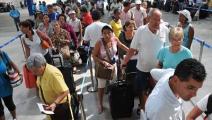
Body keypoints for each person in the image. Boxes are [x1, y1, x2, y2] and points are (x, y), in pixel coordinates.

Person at [123, 8, 168, 112]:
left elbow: (169, 48)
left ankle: (151, 111)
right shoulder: (141, 30)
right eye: (154, 19)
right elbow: (132, 49)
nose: (157, 22)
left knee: (156, 93)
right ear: (148, 18)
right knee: (142, 91)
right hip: (142, 69)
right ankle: (143, 110)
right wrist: (124, 62)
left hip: (158, 69)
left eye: (159, 19)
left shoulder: (164, 29)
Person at [92, 25, 129, 113]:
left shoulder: (115, 39)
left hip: (113, 66)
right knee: (101, 87)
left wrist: (130, 51)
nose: (107, 35)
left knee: (114, 84)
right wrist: (103, 62)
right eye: (104, 33)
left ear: (112, 33)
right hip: (103, 67)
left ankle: (114, 100)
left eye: (109, 32)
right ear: (102, 34)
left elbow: (121, 45)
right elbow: (94, 56)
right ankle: (100, 104)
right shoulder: (99, 43)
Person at [26, 53, 72, 120]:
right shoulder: (40, 73)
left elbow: (65, 91)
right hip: (50, 107)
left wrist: (55, 103)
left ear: (42, 65)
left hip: (60, 107)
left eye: (35, 71)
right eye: (32, 71)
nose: (33, 73)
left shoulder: (53, 74)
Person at [0, 50, 20, 120]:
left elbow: (11, 63)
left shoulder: (2, 54)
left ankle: (14, 117)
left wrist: (18, 73)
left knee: (9, 104)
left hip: (5, 86)